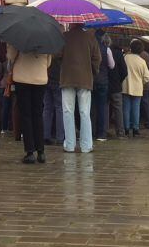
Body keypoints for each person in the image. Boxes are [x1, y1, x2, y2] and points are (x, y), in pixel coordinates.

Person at [59, 24, 101, 154]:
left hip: (67, 78)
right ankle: (86, 145)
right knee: (84, 112)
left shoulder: (63, 37)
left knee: (67, 112)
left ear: (71, 24)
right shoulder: (90, 38)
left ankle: (70, 145)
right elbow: (97, 58)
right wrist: (92, 71)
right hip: (85, 79)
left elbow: (56, 55)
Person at [7, 44, 51, 164]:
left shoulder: (19, 37)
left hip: (23, 78)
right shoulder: (45, 37)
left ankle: (30, 152)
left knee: (26, 115)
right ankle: (41, 152)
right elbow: (48, 63)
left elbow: (11, 56)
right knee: (37, 114)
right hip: (40, 79)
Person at [122, 40, 149, 137]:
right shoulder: (142, 61)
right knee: (136, 108)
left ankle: (126, 129)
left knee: (126, 108)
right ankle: (135, 129)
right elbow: (147, 77)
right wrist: (140, 82)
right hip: (137, 88)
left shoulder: (125, 58)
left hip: (125, 86)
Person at [91, 29, 113, 141]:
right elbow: (112, 65)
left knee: (90, 108)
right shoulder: (107, 49)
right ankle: (101, 134)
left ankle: (91, 132)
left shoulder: (90, 48)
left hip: (91, 80)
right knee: (102, 108)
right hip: (103, 81)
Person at [42, 52, 64, 145]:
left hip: (46, 79)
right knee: (59, 108)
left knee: (47, 108)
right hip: (58, 79)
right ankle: (60, 137)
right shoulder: (60, 46)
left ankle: (45, 135)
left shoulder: (46, 47)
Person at [107, 39, 127, 137]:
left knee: (104, 107)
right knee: (118, 108)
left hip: (104, 84)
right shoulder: (119, 54)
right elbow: (124, 71)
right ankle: (120, 132)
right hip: (116, 85)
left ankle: (103, 130)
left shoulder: (101, 50)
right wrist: (119, 80)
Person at [140, 46, 149, 130]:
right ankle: (148, 122)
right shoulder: (146, 55)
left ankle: (134, 123)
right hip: (145, 83)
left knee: (135, 103)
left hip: (136, 84)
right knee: (146, 103)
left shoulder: (130, 55)